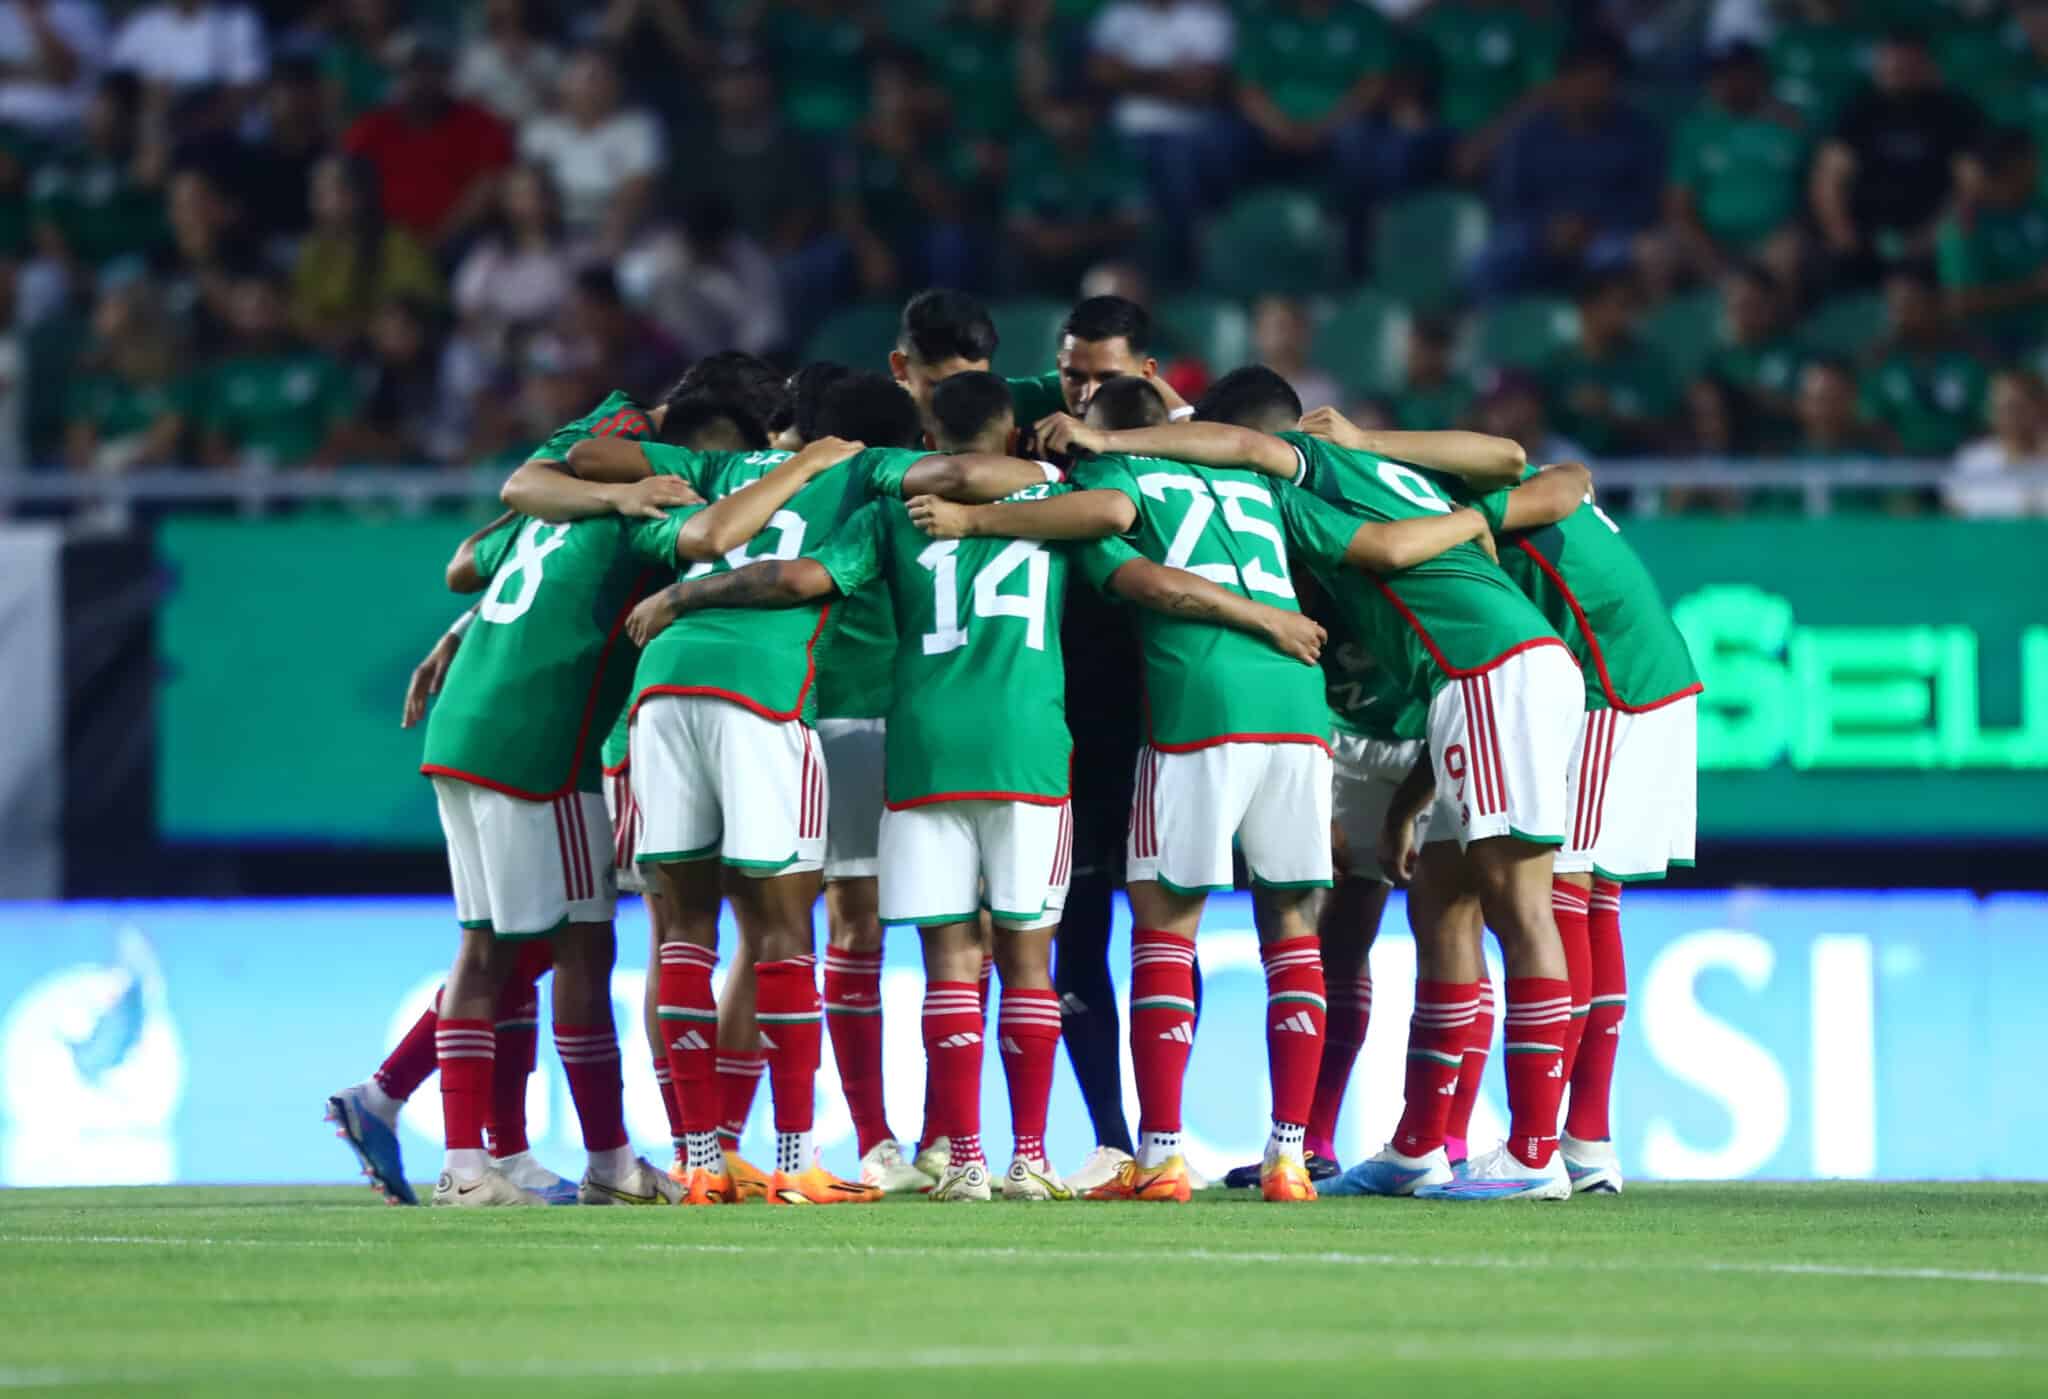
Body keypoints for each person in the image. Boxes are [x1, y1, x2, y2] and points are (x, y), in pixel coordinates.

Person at [569, 370, 1059, 1203]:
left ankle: (701, 1157)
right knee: (787, 931)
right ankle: (799, 1160)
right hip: (775, 697)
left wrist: (649, 496)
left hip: (660, 688)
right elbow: (962, 477)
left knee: (685, 930)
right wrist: (1052, 474)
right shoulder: (868, 475)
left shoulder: (723, 471)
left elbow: (584, 454)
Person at [1148, 382, 1579, 1203]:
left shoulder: (1306, 475)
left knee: (1521, 909)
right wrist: (1411, 800)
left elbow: (1248, 450)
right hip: (1484, 679)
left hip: (1485, 672)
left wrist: (1114, 445)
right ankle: (1419, 1144)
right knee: (1444, 901)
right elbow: (1505, 461)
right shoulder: (1401, 474)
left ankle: (1533, 1152)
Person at [330, 385, 699, 1206]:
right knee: (558, 947)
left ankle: (489, 1145)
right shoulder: (647, 494)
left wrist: (461, 628)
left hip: (469, 729)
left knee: (512, 944)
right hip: (544, 744)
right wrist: (621, 497)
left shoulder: (554, 510)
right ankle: (547, 1157)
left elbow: (466, 561)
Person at [1468, 35, 1663, 300]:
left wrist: (1592, 227)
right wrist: (1548, 229)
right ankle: (1503, 335)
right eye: (1584, 78)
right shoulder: (1530, 134)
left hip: (1607, 236)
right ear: (1563, 82)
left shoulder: (1637, 134)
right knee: (1488, 262)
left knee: (1641, 254)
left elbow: (1647, 200)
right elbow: (1506, 200)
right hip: (1539, 236)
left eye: (1602, 81)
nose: (1592, 88)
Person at [1810, 28, 1983, 284]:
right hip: (1864, 235)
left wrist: (1935, 236)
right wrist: (1845, 235)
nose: (1897, 70)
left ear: (1926, 65)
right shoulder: (1859, 110)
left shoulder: (1954, 112)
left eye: (1906, 64)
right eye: (1891, 63)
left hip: (1935, 234)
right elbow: (1828, 180)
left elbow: (1970, 185)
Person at [1086, 0, 1235, 280]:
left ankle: (1181, 276)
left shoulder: (1205, 16)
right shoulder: (1119, 14)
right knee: (1118, 195)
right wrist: (1173, 75)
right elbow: (1100, 73)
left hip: (1188, 133)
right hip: (1125, 133)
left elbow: (1202, 87)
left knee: (1177, 171)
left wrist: (1130, 73)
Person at [343, 32, 513, 251]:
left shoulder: (481, 123)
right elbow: (348, 182)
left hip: (460, 241)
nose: (419, 79)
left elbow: (492, 182)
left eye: (429, 69)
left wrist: (440, 237)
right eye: (409, 70)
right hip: (384, 241)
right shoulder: (370, 128)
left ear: (445, 74)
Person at [1660, 41, 1808, 282]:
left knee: (1788, 252)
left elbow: (1811, 192)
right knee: (1657, 253)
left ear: (1756, 75)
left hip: (1775, 239)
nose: (1723, 81)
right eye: (1716, 74)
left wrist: (1794, 229)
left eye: (1732, 73)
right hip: (1712, 240)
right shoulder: (1696, 130)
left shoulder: (1791, 124)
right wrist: (1709, 254)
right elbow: (1678, 205)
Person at [195, 272, 356, 470]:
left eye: (261, 307)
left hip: (314, 485)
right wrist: (236, 471)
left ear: (283, 308)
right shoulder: (224, 375)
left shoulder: (323, 366)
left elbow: (343, 434)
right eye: (243, 311)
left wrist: (311, 471)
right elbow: (212, 443)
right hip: (244, 487)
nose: (253, 318)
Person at [519, 47, 662, 256]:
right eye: (588, 78)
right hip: (556, 229)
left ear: (616, 84)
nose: (595, 87)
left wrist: (611, 239)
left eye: (603, 77)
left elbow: (637, 189)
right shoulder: (540, 130)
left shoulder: (638, 126)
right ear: (564, 84)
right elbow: (529, 188)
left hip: (621, 229)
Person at [290, 153, 440, 351]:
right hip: (320, 349)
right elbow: (299, 305)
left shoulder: (395, 243)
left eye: (324, 192)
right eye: (315, 192)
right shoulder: (313, 246)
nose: (314, 201)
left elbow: (417, 304)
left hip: (378, 349)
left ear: (354, 196)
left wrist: (360, 328)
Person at [1538, 272, 1678, 457]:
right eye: (1620, 306)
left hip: (1637, 468)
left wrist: (1611, 411)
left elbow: (1669, 427)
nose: (1627, 316)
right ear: (1587, 309)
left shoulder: (1649, 363)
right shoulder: (1557, 366)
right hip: (1568, 468)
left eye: (1632, 307)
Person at [1860, 265, 1992, 460]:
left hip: (1965, 467)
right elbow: (1871, 421)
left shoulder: (1972, 358)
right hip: (1902, 468)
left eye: (1909, 304)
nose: (1900, 314)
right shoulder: (1879, 361)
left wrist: (1965, 458)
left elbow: (1986, 420)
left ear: (1935, 304)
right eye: (1894, 306)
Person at [1937, 127, 2048, 356]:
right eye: (2030, 160)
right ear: (2013, 167)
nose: (2037, 167)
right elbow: (1959, 302)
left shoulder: (2036, 204)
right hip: (1999, 346)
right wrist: (2031, 288)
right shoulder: (1965, 226)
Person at [1948, 369, 2048, 518]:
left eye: (2016, 406)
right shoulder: (1971, 461)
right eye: (1999, 407)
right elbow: (1955, 519)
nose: (2009, 415)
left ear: (2038, 406)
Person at [453, 0, 565, 126]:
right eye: (502, 17)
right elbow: (462, 99)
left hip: (534, 134)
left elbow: (559, 103)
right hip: (486, 134)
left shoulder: (547, 57)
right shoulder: (475, 57)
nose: (509, 21)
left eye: (513, 13)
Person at [1251, 294, 1340, 413]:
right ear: (1258, 333)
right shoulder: (1238, 389)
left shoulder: (1324, 392)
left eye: (1293, 327)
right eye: (1277, 326)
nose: (1284, 336)